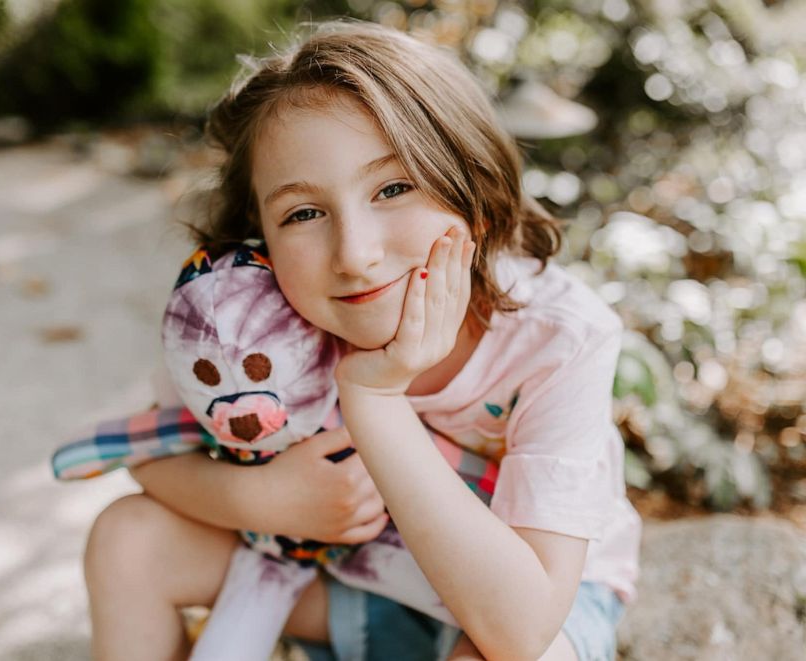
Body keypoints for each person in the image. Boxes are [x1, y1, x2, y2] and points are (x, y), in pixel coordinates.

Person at [83, 20, 641, 661]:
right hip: (347, 579)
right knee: (126, 538)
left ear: (477, 201)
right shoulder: (243, 321)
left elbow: (519, 629)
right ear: (255, 239)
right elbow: (149, 456)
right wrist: (267, 499)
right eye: (303, 214)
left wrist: (374, 396)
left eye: (394, 188)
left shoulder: (560, 337)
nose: (355, 254)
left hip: (524, 599)